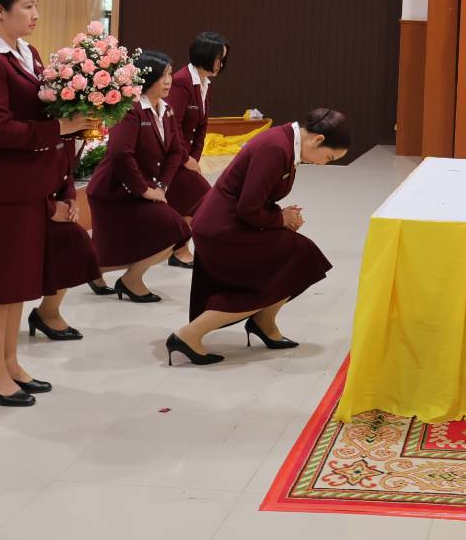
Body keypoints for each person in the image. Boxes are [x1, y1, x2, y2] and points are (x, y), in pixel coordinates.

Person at [0, 0, 94, 407]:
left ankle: (10, 363)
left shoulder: (26, 53)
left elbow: (42, 116)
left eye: (36, 5)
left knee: (15, 283)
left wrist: (62, 178)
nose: (36, 14)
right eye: (28, 6)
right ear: (0, 11)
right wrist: (60, 127)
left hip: (25, 186)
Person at [167, 109, 349, 366]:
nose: (324, 164)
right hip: (222, 229)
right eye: (328, 157)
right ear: (318, 139)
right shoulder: (276, 148)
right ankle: (188, 335)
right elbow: (249, 208)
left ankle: (264, 321)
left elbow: (255, 199)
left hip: (231, 222)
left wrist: (282, 216)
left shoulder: (286, 142)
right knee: (284, 267)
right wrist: (280, 219)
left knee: (302, 254)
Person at [87, 51, 189, 302]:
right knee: (174, 228)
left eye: (170, 75)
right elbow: (120, 154)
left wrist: (161, 187)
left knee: (175, 230)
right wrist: (144, 190)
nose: (168, 81)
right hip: (114, 191)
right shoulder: (130, 109)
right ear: (148, 78)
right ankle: (130, 280)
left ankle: (97, 270)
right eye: (163, 76)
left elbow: (176, 151)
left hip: (140, 190)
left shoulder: (166, 109)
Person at [163, 32, 227, 267]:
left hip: (185, 159)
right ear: (205, 55)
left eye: (223, 59)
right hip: (171, 158)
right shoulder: (182, 82)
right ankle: (178, 248)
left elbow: (202, 126)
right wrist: (184, 159)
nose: (221, 64)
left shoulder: (205, 84)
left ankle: (177, 247)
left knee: (194, 202)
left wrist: (194, 158)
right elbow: (171, 125)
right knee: (205, 199)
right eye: (219, 58)